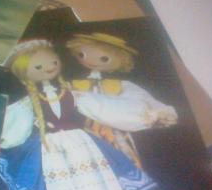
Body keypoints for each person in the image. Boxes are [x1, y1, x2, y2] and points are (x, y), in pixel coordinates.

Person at [0, 39, 183, 190]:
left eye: (52, 62)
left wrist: (152, 115)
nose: (48, 68)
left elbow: (103, 107)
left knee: (101, 188)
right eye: (38, 67)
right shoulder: (28, 102)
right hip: (49, 150)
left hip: (84, 146)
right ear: (23, 72)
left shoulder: (72, 93)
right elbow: (15, 128)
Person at [66, 32, 178, 167]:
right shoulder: (74, 85)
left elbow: (142, 98)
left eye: (104, 59)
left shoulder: (120, 85)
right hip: (83, 129)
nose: (91, 61)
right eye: (82, 55)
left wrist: (159, 113)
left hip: (115, 131)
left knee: (121, 156)